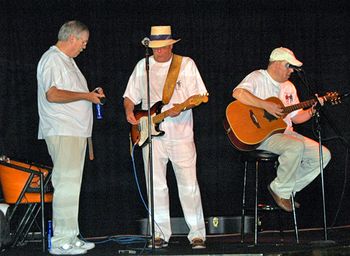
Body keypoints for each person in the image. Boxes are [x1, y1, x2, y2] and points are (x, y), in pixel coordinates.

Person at [123, 25, 207, 249]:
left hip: (181, 134)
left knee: (188, 185)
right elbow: (130, 96)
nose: (157, 52)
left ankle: (197, 234)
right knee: (156, 186)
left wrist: (181, 107)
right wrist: (129, 111)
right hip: (151, 134)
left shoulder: (185, 64)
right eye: (154, 48)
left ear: (171, 45)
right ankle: (159, 233)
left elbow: (199, 96)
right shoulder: (143, 66)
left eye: (162, 48)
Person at [232, 47, 331, 212]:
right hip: (262, 135)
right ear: (276, 64)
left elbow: (297, 117)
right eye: (288, 66)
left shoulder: (289, 87)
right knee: (294, 146)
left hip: (285, 133)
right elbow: (238, 93)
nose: (291, 70)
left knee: (323, 154)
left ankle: (284, 188)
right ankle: (282, 189)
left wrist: (313, 110)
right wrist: (265, 105)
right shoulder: (258, 77)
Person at [37, 20, 105, 255]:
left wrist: (90, 95)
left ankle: (71, 236)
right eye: (83, 42)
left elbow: (71, 94)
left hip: (75, 132)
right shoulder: (52, 59)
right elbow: (53, 94)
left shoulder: (68, 62)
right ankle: (60, 242)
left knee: (72, 186)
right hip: (62, 130)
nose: (84, 47)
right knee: (65, 184)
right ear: (72, 38)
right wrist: (87, 96)